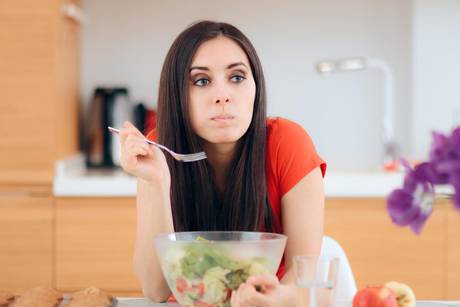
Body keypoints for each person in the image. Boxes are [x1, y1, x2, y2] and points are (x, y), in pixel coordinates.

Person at [119, 20, 326, 307]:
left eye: (237, 77)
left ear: (256, 87)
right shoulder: (157, 150)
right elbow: (155, 289)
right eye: (202, 81)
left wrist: (277, 298)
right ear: (178, 96)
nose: (223, 95)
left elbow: (305, 279)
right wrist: (156, 181)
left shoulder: (288, 144)